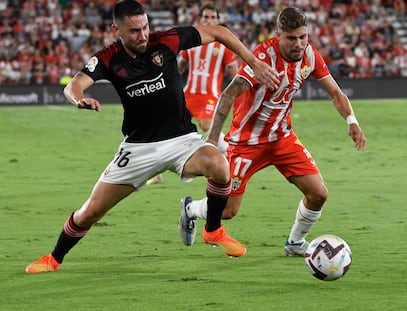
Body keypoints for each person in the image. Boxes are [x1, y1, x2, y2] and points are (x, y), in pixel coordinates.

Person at [25, 0, 279, 273]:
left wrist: (254, 63)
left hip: (181, 140)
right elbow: (74, 85)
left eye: (145, 27)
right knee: (91, 211)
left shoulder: (166, 41)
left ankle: (213, 229)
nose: (143, 35)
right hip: (138, 148)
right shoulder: (108, 58)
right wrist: (79, 100)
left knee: (219, 165)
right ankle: (53, 259)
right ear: (116, 30)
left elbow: (218, 31)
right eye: (134, 31)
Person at [179, 7, 367, 256]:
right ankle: (190, 209)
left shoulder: (310, 55)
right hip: (247, 142)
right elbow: (228, 94)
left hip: (282, 139)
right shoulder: (262, 58)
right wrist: (213, 140)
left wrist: (351, 121)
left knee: (318, 194)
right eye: (291, 38)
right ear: (278, 34)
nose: (298, 44)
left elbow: (335, 92)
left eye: (303, 36)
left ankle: (295, 242)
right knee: (227, 211)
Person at [146, 3, 238, 186]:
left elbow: (234, 73)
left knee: (207, 125)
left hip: (210, 97)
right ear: (200, 19)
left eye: (213, 18)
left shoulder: (224, 45)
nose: (209, 21)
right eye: (206, 17)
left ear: (218, 20)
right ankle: (155, 172)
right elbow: (179, 68)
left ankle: (233, 157)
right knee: (163, 125)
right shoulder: (192, 41)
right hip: (188, 95)